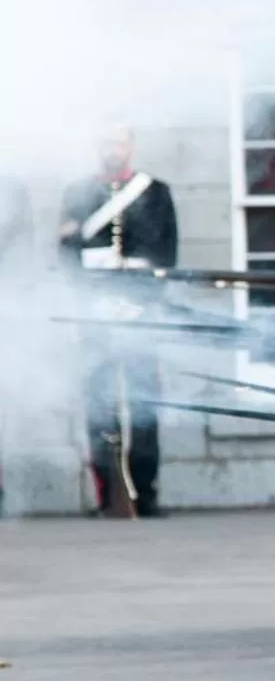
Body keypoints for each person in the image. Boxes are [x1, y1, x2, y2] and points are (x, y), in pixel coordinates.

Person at [58, 125, 178, 517]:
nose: (114, 149)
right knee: (99, 404)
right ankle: (109, 494)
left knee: (145, 403)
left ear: (131, 145)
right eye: (107, 142)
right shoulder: (78, 194)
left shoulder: (155, 192)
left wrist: (143, 303)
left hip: (141, 311)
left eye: (120, 142)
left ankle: (145, 492)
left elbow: (166, 256)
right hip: (95, 311)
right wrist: (88, 302)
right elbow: (67, 256)